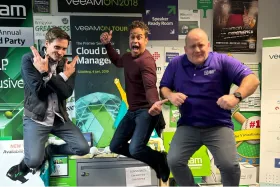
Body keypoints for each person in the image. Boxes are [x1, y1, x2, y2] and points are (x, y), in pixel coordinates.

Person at [159, 28, 260, 187]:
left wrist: (236, 96)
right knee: (174, 161)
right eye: (192, 46)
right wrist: (171, 95)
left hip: (219, 125)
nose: (197, 50)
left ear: (208, 45)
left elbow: (252, 80)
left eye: (201, 45)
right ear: (185, 49)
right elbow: (163, 87)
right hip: (188, 125)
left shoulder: (222, 61)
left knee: (229, 166)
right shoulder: (176, 64)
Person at [6, 27, 90, 182]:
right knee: (33, 162)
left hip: (58, 118)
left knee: (83, 148)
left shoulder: (67, 66)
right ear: (47, 44)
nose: (61, 52)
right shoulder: (29, 59)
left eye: (64, 48)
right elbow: (39, 92)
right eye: (57, 47)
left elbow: (66, 93)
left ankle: (51, 149)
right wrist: (60, 78)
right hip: (36, 118)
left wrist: (47, 74)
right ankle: (28, 162)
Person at [100, 20, 170, 182]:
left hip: (147, 111)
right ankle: (155, 160)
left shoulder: (146, 61)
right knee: (115, 145)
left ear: (146, 40)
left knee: (136, 149)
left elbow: (150, 86)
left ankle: (159, 160)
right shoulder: (128, 57)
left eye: (139, 37)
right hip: (132, 111)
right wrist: (107, 45)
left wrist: (154, 103)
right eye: (133, 37)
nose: (135, 41)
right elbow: (118, 61)